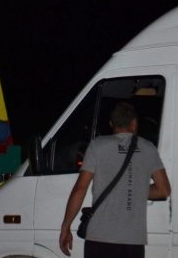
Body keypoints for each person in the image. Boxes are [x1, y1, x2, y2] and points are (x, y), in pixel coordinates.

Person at [59, 102, 171, 257]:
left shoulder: (97, 145)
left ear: (111, 124)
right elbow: (163, 190)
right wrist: (135, 188)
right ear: (134, 123)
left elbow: (80, 189)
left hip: (99, 238)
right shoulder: (148, 148)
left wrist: (65, 227)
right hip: (133, 241)